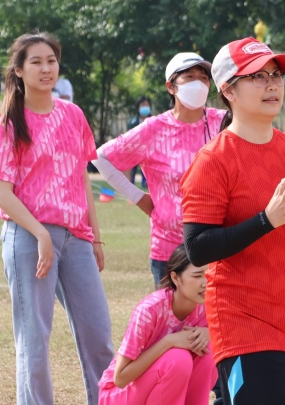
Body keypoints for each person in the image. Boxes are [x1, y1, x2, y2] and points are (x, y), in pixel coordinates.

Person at [181, 38, 285, 405]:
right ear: (228, 90)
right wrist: (266, 220)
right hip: (244, 325)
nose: (272, 84)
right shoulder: (213, 160)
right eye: (257, 76)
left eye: (276, 75)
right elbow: (197, 248)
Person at [0, 32, 113, 405]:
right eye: (36, 62)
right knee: (34, 344)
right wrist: (40, 235)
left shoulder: (73, 114)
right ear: (19, 71)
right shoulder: (9, 123)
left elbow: (81, 178)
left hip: (76, 239)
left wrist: (94, 236)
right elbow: (2, 193)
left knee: (99, 337)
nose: (46, 68)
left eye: (51, 60)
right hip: (28, 238)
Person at [93, 53, 224, 288]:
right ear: (171, 87)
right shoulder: (153, 129)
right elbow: (101, 158)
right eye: (189, 77)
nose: (198, 84)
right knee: (170, 312)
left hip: (217, 246)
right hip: (169, 250)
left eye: (203, 78)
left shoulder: (224, 123)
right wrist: (139, 198)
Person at [98, 245, 216, 405]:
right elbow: (120, 378)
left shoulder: (209, 305)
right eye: (197, 276)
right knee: (178, 359)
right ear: (175, 278)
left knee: (209, 350)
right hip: (120, 394)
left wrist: (209, 333)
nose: (206, 282)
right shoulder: (149, 310)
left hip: (161, 392)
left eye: (208, 274)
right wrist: (169, 342)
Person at [125, 95, 153, 187]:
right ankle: (130, 184)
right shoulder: (132, 122)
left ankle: (146, 184)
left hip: (149, 151)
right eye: (142, 105)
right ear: (138, 107)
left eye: (147, 105)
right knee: (131, 170)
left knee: (147, 171)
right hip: (135, 150)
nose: (145, 107)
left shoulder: (154, 121)